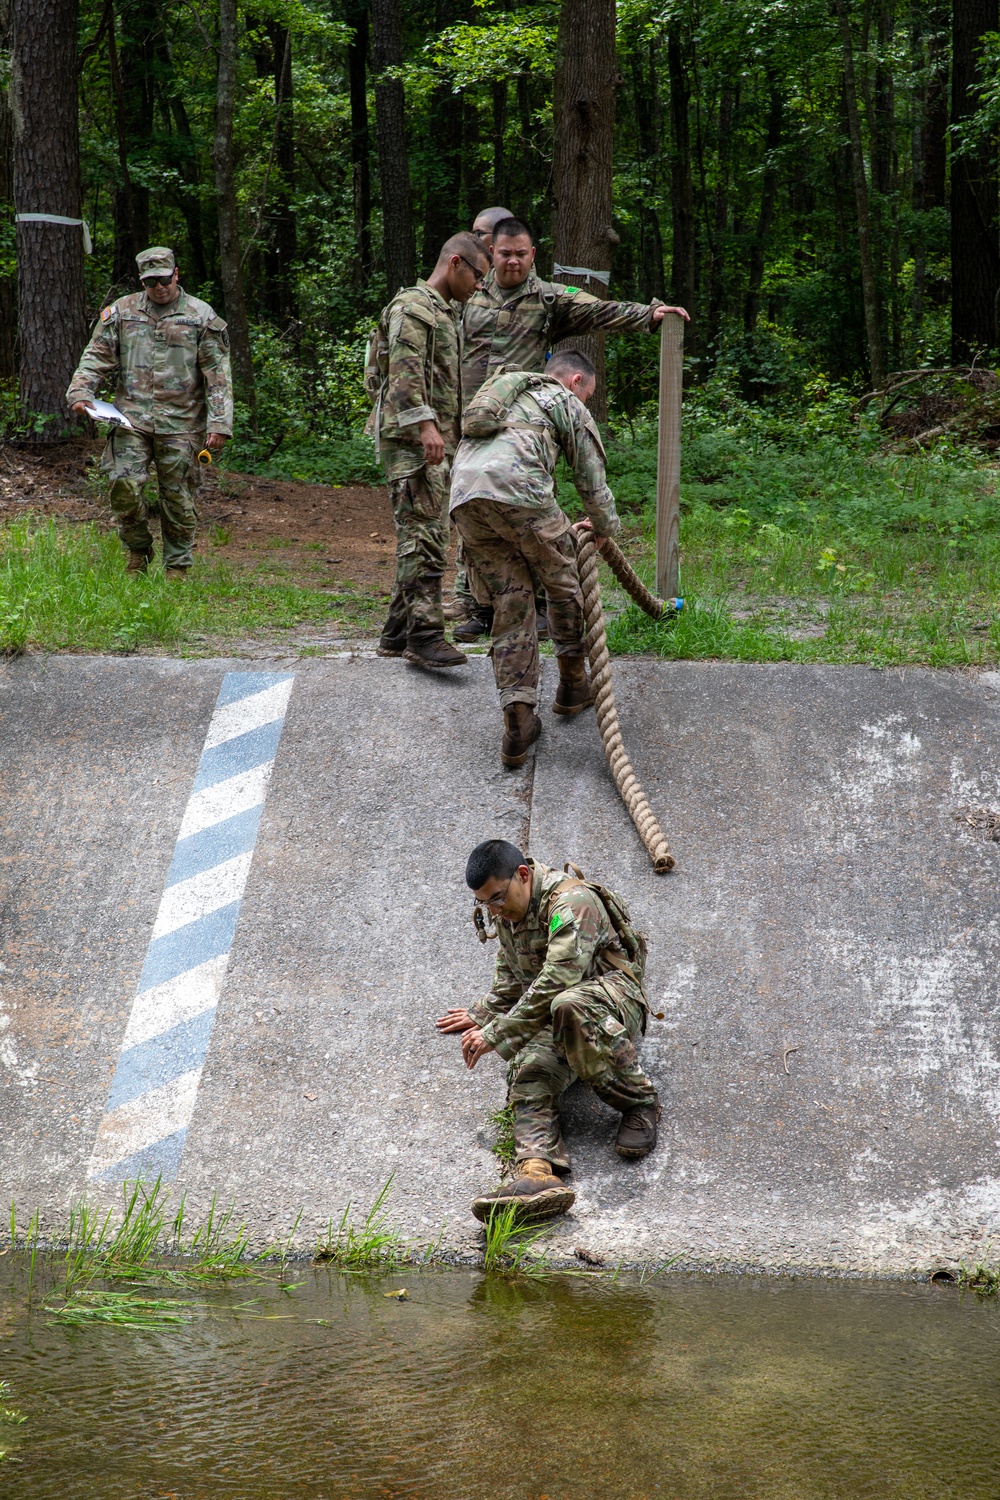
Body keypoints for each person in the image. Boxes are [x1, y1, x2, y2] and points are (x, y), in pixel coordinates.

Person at [453, 216, 687, 643]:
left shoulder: (547, 299)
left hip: (524, 422)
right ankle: (478, 608)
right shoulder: (469, 294)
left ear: (532, 255)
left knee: (534, 509)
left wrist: (650, 315)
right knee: (471, 508)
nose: (513, 263)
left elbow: (600, 310)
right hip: (471, 418)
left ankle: (542, 606)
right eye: (505, 254)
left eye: (521, 255)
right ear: (492, 253)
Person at [435, 839, 660, 1223]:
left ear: (523, 875)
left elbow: (559, 978)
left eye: (497, 897)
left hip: (610, 1005)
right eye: (484, 902)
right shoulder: (509, 910)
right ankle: (538, 1174)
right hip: (559, 1016)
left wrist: (497, 1033)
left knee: (567, 1004)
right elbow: (513, 972)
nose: (494, 910)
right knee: (530, 1068)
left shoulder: (572, 904)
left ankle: (639, 1105)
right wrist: (484, 1012)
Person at [449, 347, 614, 767]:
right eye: (588, 395)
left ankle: (518, 724)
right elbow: (590, 478)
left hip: (466, 500)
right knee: (563, 586)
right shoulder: (563, 400)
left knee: (511, 602)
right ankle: (574, 686)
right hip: (521, 492)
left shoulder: (502, 396)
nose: (585, 402)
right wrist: (605, 528)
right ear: (576, 381)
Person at [67, 246, 232, 578]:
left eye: (164, 279)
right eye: (150, 281)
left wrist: (219, 422)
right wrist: (81, 390)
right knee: (123, 485)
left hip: (182, 423)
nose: (159, 287)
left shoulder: (200, 315)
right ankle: (138, 551)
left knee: (179, 498)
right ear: (142, 281)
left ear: (176, 274)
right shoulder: (122, 312)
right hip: (131, 419)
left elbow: (218, 374)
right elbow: (95, 356)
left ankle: (178, 566)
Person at [367, 232, 490, 668]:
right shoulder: (415, 307)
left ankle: (396, 632)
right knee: (423, 537)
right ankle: (424, 635)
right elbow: (401, 372)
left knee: (429, 531)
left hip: (432, 439)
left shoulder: (442, 311)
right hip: (414, 441)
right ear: (455, 263)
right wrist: (425, 426)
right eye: (478, 275)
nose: (479, 286)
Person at [444, 205, 513, 631]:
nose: (479, 241)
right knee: (465, 509)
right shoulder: (460, 290)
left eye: (485, 235)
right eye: (474, 234)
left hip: (510, 427)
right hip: (461, 421)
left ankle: (515, 603)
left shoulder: (524, 291)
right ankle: (469, 600)